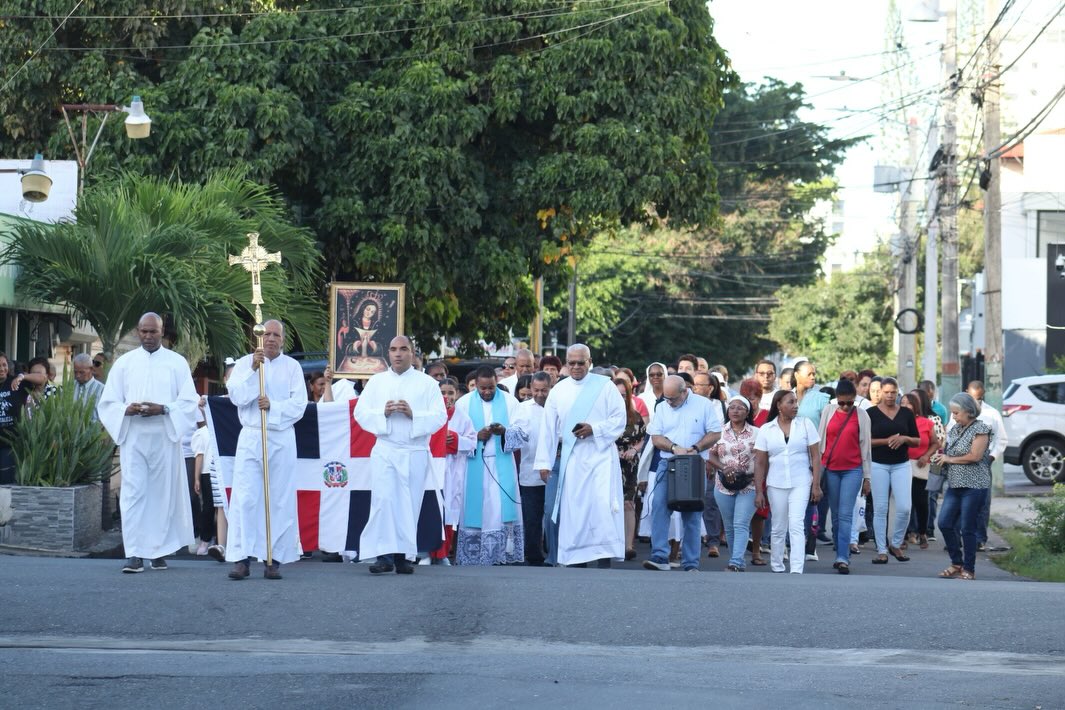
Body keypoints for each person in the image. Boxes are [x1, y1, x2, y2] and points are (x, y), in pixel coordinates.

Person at [96, 313, 199, 573]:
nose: (148, 336)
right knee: (133, 494)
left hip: (164, 436)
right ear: (138, 331)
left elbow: (189, 402)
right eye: (144, 331)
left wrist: (164, 409)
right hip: (134, 438)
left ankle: (158, 552)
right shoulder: (124, 363)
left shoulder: (177, 363)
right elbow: (108, 402)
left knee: (161, 496)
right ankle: (134, 553)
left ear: (162, 332)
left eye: (153, 332)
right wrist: (125, 410)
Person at [352, 336, 448, 574]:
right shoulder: (376, 382)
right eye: (393, 349)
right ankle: (383, 556)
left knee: (409, 503)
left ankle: (404, 556)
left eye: (403, 349)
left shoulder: (427, 383)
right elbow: (361, 413)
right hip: (385, 449)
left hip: (413, 451)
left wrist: (413, 414)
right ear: (388, 353)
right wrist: (381, 413)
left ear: (412, 353)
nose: (398, 354)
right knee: (384, 501)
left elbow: (439, 416)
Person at [224, 319, 307, 581]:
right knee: (246, 497)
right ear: (258, 337)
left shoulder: (292, 367)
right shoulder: (243, 363)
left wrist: (273, 406)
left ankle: (274, 558)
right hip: (251, 436)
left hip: (280, 437)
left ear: (283, 339)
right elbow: (236, 396)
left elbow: (299, 404)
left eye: (276, 335)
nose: (271, 339)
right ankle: (242, 558)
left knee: (279, 498)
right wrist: (252, 369)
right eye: (267, 334)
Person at [535, 344, 627, 568]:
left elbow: (619, 419)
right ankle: (577, 559)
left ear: (590, 362)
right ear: (566, 363)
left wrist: (594, 429)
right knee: (575, 510)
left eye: (581, 362)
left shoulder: (605, 387)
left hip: (601, 457)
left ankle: (603, 558)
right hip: (572, 458)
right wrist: (544, 463)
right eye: (572, 362)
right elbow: (548, 428)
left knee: (601, 508)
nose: (576, 367)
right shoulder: (559, 389)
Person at [642, 375, 722, 572]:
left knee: (692, 511)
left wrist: (696, 447)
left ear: (685, 391)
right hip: (667, 461)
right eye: (666, 398)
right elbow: (656, 437)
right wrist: (674, 447)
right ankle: (660, 557)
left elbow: (715, 433)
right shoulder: (661, 407)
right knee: (659, 505)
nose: (669, 402)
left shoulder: (703, 405)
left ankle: (690, 563)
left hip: (694, 463)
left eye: (673, 399)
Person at [453, 366, 523, 566]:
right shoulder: (463, 403)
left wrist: (505, 432)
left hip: (503, 465)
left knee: (500, 511)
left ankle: (501, 555)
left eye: (491, 387)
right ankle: (474, 555)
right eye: (482, 388)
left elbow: (523, 431)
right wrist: (476, 437)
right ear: (475, 385)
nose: (486, 392)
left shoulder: (510, 402)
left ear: (496, 382)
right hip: (473, 465)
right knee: (477, 510)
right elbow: (455, 436)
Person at [753, 390, 822, 574]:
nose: (795, 405)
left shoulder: (806, 424)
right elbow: (760, 462)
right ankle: (777, 565)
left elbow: (816, 457)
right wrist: (759, 491)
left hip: (801, 481)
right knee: (778, 525)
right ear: (779, 405)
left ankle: (797, 568)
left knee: (797, 523)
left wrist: (816, 484)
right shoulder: (767, 429)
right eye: (790, 402)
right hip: (775, 483)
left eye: (796, 402)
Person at [933, 393, 993, 580]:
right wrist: (940, 458)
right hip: (955, 485)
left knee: (968, 527)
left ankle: (969, 568)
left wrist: (949, 459)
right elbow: (948, 450)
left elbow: (975, 456)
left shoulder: (981, 428)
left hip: (974, 486)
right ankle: (956, 562)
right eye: (952, 413)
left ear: (969, 411)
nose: (954, 417)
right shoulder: (955, 429)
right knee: (944, 523)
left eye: (957, 413)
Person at [817, 379, 871, 574]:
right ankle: (840, 551)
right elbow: (820, 440)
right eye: (842, 402)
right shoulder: (828, 412)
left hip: (853, 469)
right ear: (836, 399)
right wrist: (816, 470)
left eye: (850, 403)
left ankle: (843, 557)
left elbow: (866, 448)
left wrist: (867, 477)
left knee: (846, 514)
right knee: (837, 515)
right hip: (831, 469)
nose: (846, 406)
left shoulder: (862, 416)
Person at [867, 377, 920, 565]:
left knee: (904, 507)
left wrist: (904, 438)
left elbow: (917, 440)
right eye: (886, 392)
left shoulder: (906, 413)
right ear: (880, 392)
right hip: (878, 464)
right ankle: (881, 550)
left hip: (901, 464)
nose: (890, 396)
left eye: (893, 392)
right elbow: (865, 442)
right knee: (880, 508)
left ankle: (896, 543)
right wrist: (888, 440)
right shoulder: (870, 413)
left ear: (898, 392)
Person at [504, 372, 552, 565]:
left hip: (554, 470)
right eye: (536, 390)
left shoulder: (557, 407)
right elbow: (515, 434)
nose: (540, 394)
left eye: (544, 390)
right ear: (531, 388)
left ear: (551, 387)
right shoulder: (522, 409)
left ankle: (554, 552)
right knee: (531, 517)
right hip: (529, 471)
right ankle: (533, 555)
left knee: (552, 516)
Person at [707, 394, 759, 571]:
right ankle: (736, 560)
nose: (735, 411)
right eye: (732, 407)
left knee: (740, 523)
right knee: (729, 526)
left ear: (747, 412)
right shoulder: (718, 431)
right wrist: (723, 467)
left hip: (749, 484)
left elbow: (762, 459)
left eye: (740, 408)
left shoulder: (756, 433)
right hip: (723, 485)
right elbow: (710, 454)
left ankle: (736, 562)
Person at [436, 377, 476, 564]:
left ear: (457, 394)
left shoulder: (463, 417)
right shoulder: (431, 414)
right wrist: (437, 442)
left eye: (450, 393)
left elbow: (472, 442)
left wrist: (456, 440)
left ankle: (443, 553)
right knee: (433, 510)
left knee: (450, 512)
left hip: (453, 470)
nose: (446, 397)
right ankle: (428, 553)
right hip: (434, 469)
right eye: (442, 393)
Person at [963, 380, 1007, 551]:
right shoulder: (958, 411)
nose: (976, 403)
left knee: (982, 501)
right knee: (962, 500)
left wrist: (991, 457)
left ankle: (980, 538)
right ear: (966, 392)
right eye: (972, 398)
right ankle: (963, 536)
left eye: (979, 399)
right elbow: (950, 434)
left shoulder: (992, 414)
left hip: (982, 462)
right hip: (961, 462)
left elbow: (1001, 439)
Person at [0, 353, 49, 484]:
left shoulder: (16, 382)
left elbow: (42, 378)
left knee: (6, 483)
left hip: (11, 445)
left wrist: (22, 376)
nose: (2, 368)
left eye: (4, 365)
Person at [901, 390, 940, 551]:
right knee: (904, 503)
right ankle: (902, 535)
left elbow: (936, 443)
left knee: (921, 501)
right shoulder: (897, 421)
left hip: (920, 465)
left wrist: (926, 456)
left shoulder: (926, 422)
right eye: (902, 403)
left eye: (908, 403)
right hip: (901, 465)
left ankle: (922, 532)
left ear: (915, 406)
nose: (904, 406)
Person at [614, 377, 647, 561]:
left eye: (623, 394)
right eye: (616, 394)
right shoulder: (604, 416)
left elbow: (643, 437)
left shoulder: (634, 416)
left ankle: (628, 545)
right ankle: (612, 544)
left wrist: (634, 449)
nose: (620, 398)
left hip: (630, 466)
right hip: (610, 465)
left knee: (629, 504)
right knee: (611, 505)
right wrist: (615, 452)